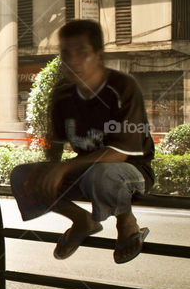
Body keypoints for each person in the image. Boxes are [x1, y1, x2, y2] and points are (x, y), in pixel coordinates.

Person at [10, 19, 155, 264]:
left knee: (104, 174)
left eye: (82, 53)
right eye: (66, 53)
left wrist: (63, 169)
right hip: (85, 172)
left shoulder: (122, 88)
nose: (73, 61)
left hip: (131, 173)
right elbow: (54, 145)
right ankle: (82, 220)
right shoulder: (62, 93)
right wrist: (47, 173)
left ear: (99, 55)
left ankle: (126, 221)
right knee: (22, 176)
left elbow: (119, 153)